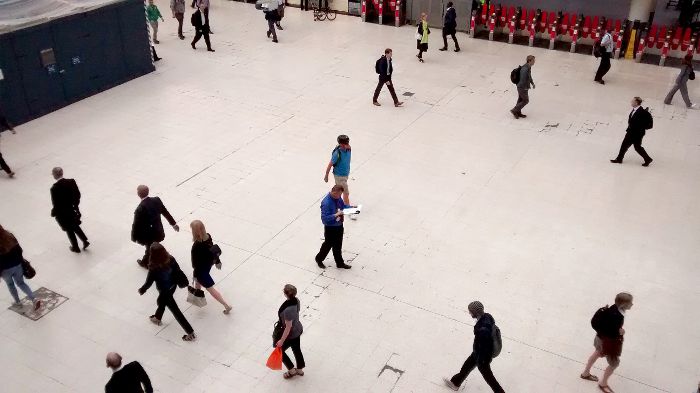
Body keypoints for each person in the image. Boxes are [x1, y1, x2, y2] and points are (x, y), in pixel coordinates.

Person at [138, 242, 196, 341]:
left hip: (164, 290)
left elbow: (149, 282)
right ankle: (157, 318)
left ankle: (190, 332)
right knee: (161, 301)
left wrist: (143, 289)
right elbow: (178, 270)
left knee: (175, 311)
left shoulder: (153, 267)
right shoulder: (171, 259)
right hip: (173, 286)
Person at [444, 301, 505, 393]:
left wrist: (481, 360)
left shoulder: (483, 329)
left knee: (489, 378)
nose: (469, 313)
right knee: (466, 366)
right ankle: (455, 383)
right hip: (478, 352)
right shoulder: (487, 317)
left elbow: (484, 345)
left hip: (483, 356)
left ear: (475, 312)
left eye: (470, 311)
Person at [580, 293, 634, 393]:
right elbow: (612, 332)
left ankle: (585, 373)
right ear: (622, 305)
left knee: (596, 353)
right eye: (630, 302)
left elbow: (608, 326)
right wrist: (620, 332)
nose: (632, 304)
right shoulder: (617, 316)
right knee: (614, 364)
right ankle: (603, 383)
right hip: (608, 343)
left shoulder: (613, 308)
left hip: (600, 338)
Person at [131, 185, 179, 268]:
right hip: (158, 230)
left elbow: (136, 225)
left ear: (138, 194)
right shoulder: (157, 200)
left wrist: (134, 237)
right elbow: (165, 212)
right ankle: (153, 257)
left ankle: (146, 263)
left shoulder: (140, 209)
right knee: (151, 247)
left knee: (149, 248)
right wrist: (173, 224)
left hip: (148, 234)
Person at [190, 220, 232, 314]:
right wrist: (217, 261)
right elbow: (213, 249)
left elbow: (195, 264)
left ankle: (226, 305)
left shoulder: (196, 246)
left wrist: (195, 274)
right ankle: (197, 294)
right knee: (199, 281)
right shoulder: (208, 236)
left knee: (210, 289)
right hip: (208, 264)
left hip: (200, 269)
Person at [0, 225, 41, 311]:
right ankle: (34, 298)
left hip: (5, 270)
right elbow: (19, 249)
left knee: (10, 285)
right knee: (21, 283)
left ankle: (18, 302)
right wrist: (20, 260)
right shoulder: (9, 235)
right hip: (17, 265)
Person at [50, 167, 89, 253]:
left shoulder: (54, 188)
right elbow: (77, 194)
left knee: (69, 229)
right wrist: (75, 205)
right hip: (72, 209)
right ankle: (85, 241)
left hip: (63, 213)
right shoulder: (71, 182)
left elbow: (56, 204)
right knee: (75, 225)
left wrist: (53, 213)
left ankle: (75, 247)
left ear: (55, 175)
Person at [315, 185, 352, 269]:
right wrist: (336, 215)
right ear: (334, 192)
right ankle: (319, 259)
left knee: (338, 245)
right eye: (339, 195)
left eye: (340, 195)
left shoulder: (338, 198)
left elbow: (343, 207)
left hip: (339, 225)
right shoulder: (326, 203)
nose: (340, 197)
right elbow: (324, 219)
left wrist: (351, 208)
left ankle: (340, 263)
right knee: (328, 245)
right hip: (330, 228)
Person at [610, 97, 653, 167]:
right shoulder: (634, 110)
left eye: (632, 101)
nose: (631, 102)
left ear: (636, 103)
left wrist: (639, 128)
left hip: (637, 133)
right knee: (626, 145)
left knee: (636, 147)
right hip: (631, 132)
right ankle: (619, 159)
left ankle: (647, 159)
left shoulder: (643, 112)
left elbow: (650, 125)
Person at [275, 284, 306, 379]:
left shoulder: (288, 310)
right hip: (298, 328)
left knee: (279, 350)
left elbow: (288, 327)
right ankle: (300, 370)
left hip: (291, 333)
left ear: (285, 294)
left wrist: (281, 341)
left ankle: (292, 371)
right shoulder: (296, 300)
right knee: (297, 349)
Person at [323, 135, 352, 207]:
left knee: (339, 190)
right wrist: (326, 176)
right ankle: (347, 208)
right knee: (346, 192)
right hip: (339, 176)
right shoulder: (337, 154)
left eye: (348, 143)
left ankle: (330, 201)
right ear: (341, 144)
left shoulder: (348, 148)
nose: (348, 145)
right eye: (346, 143)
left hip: (345, 174)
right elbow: (330, 165)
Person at [510, 55, 536, 119]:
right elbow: (523, 79)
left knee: (520, 99)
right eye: (533, 60)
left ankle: (518, 112)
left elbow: (529, 76)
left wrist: (532, 83)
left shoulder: (528, 67)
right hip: (522, 87)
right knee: (526, 100)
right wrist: (525, 87)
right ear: (529, 61)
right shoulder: (525, 69)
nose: (534, 62)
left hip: (522, 86)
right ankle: (514, 110)